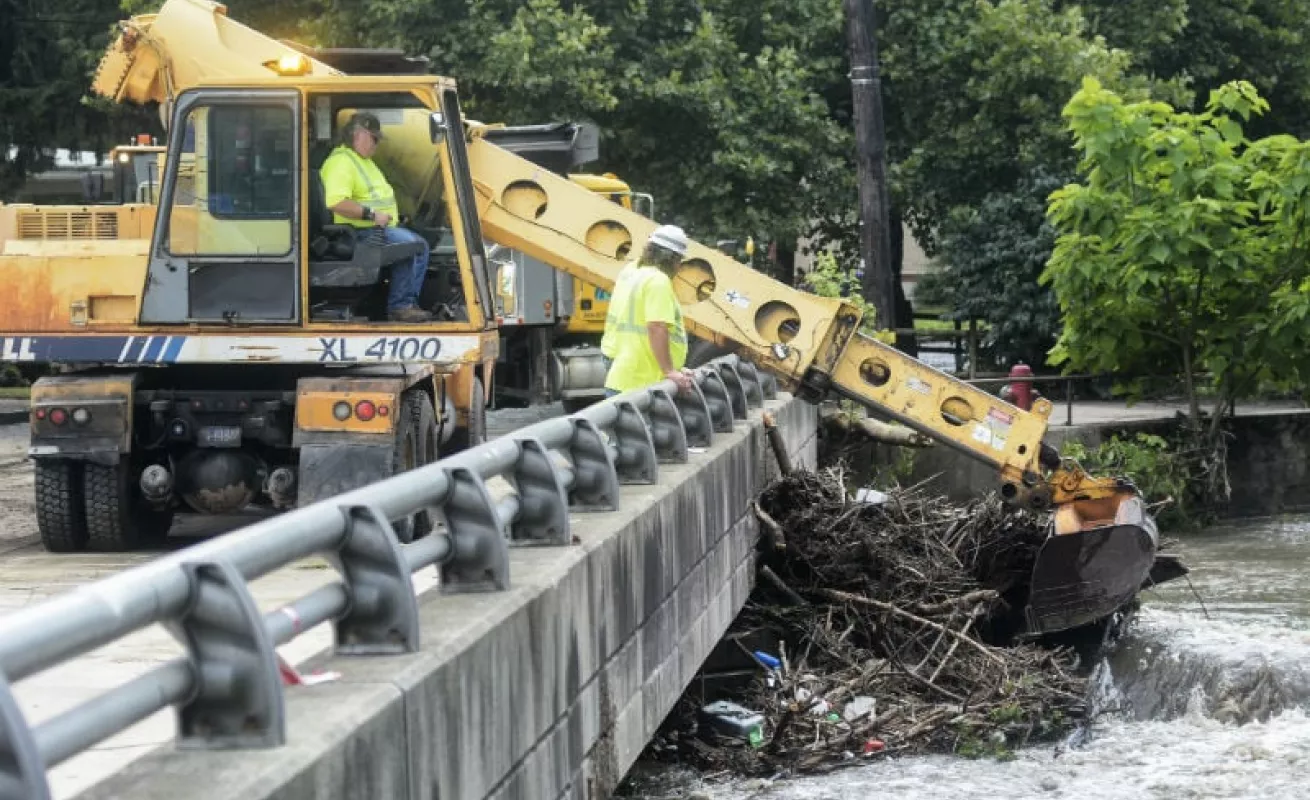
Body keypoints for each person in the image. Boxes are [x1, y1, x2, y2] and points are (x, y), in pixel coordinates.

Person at [320, 112, 432, 322]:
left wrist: (396, 218)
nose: (377, 144)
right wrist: (371, 215)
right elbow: (336, 202)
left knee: (421, 240)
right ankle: (400, 306)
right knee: (414, 246)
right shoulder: (341, 163)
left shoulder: (362, 161)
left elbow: (377, 197)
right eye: (374, 138)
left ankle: (408, 303)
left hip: (372, 228)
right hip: (356, 233)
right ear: (359, 135)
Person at [601, 224, 694, 396]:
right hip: (642, 382)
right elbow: (657, 327)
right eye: (679, 260)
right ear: (671, 259)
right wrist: (670, 371)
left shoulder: (631, 272)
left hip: (624, 375)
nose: (678, 267)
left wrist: (676, 368)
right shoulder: (658, 281)